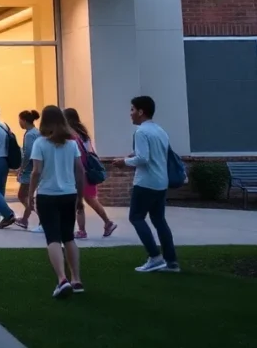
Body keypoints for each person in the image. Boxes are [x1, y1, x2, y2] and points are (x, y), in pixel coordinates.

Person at [30, 105, 85, 298]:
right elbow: (80, 170)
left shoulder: (40, 143)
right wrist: (80, 196)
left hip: (47, 194)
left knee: (52, 237)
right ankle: (76, 279)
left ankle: (62, 279)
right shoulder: (72, 144)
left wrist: (30, 196)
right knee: (68, 236)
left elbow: (36, 172)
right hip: (69, 194)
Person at [119, 96, 179, 273]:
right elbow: (157, 154)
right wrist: (133, 155)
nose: (130, 114)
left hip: (146, 183)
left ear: (140, 111)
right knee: (159, 220)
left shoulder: (141, 132)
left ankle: (154, 256)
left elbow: (143, 159)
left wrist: (124, 161)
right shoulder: (160, 131)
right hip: (161, 182)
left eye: (132, 109)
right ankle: (171, 262)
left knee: (136, 217)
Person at [64, 107, 117, 239]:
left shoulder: (71, 135)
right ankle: (107, 222)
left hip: (79, 172)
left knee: (79, 202)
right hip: (88, 171)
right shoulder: (83, 133)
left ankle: (82, 230)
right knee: (90, 200)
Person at [15, 110, 43, 232]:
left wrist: (22, 167)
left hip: (30, 169)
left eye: (20, 120)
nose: (19, 123)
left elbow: (28, 153)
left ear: (24, 121)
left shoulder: (30, 134)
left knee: (23, 195)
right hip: (37, 167)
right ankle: (25, 218)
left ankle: (39, 217)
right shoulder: (37, 132)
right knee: (26, 195)